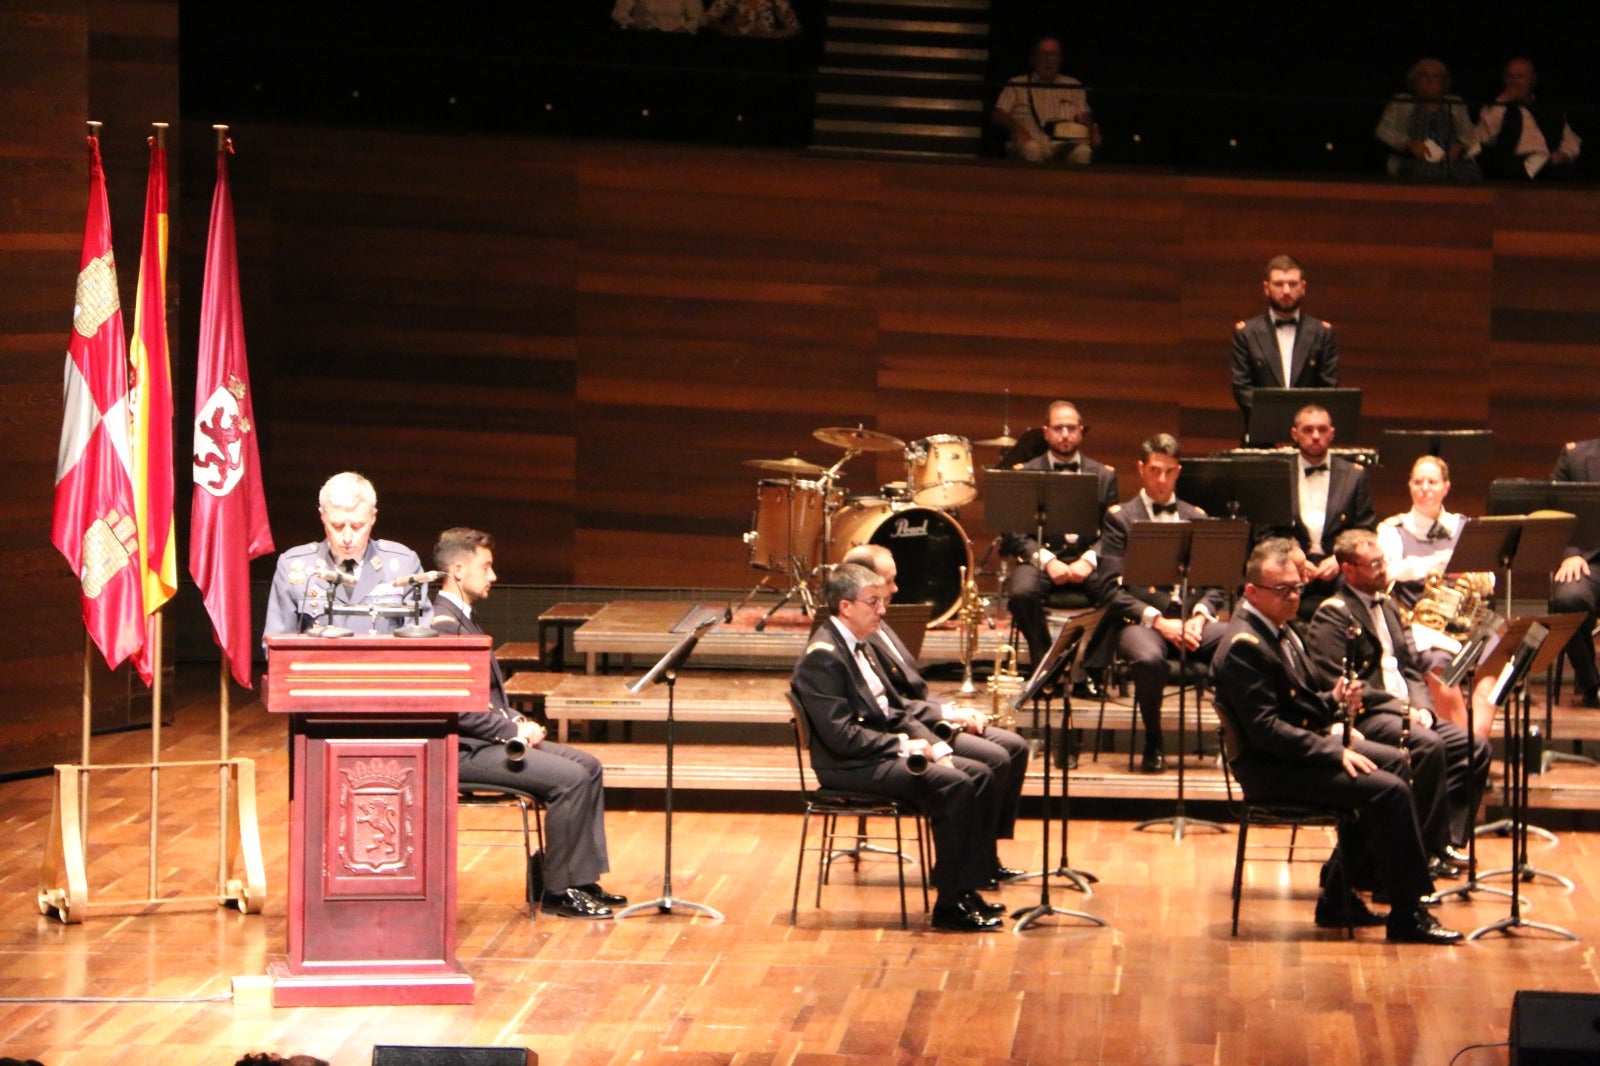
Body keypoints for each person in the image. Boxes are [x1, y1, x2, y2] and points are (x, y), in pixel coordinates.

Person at [1211, 538, 1462, 945]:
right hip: (1273, 770)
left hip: (1296, 752)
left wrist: (1334, 700)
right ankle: (1408, 912)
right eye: (1283, 591)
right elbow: (1266, 731)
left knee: (1398, 761)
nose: (1294, 597)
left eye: (1297, 588)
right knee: (1389, 789)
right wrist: (1334, 748)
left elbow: (1298, 703)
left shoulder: (1277, 629)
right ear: (1252, 592)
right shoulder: (1245, 646)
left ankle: (1339, 894)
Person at [791, 563, 1006, 931]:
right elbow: (842, 738)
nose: (883, 610)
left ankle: (966, 889)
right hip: (851, 765)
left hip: (874, 752)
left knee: (979, 773)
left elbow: (894, 710)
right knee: (953, 785)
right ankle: (949, 908)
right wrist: (905, 746)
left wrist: (939, 747)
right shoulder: (823, 656)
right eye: (872, 602)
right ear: (845, 607)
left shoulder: (859, 643)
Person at [429, 527, 627, 919]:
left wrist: (517, 719)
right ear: (456, 569)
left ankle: (579, 879)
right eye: (485, 567)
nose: (493, 576)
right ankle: (557, 891)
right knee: (568, 780)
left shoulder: (460, 620)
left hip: (486, 740)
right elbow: (458, 709)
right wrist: (511, 731)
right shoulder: (442, 625)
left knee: (588, 766)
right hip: (466, 750)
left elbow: (483, 697)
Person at [1302, 530, 1492, 871]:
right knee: (1428, 746)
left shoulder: (1389, 605)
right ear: (1348, 570)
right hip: (1369, 715)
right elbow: (1341, 684)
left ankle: (1444, 840)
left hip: (1407, 711)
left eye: (1383, 561)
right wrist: (1404, 710)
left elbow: (1412, 669)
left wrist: (1422, 707)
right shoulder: (1332, 614)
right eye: (1373, 564)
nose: (1382, 569)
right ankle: (1420, 852)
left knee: (1474, 748)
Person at [842, 543, 1030, 879]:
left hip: (922, 718)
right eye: (890, 580)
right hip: (912, 730)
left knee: (1015, 748)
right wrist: (947, 718)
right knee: (995, 760)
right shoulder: (861, 634)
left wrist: (949, 710)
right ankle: (972, 864)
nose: (896, 589)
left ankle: (986, 853)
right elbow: (894, 707)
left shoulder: (878, 624)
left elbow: (907, 693)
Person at [1086, 434, 1228, 773]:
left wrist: (1200, 616)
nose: (1161, 479)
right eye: (1154, 470)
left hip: (1191, 623)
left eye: (1168, 471)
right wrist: (1159, 621)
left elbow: (1215, 584)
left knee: (1241, 642)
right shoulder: (1120, 519)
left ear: (1178, 472)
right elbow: (1109, 589)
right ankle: (1153, 738)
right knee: (1149, 660)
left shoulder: (1197, 516)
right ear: (1141, 470)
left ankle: (1233, 736)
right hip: (1141, 624)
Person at [1000, 400, 1119, 678]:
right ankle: (1047, 666)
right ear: (1045, 432)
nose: (1065, 434)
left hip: (1087, 561)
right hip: (1043, 559)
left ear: (1081, 431)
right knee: (1021, 594)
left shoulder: (1104, 475)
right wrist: (1047, 560)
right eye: (1058, 428)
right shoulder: (1026, 472)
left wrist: (1088, 562)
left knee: (1121, 598)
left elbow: (1114, 531)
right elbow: (1014, 532)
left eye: (1071, 428)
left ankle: (1092, 670)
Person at [263, 471, 431, 641]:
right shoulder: (295, 566)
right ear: (322, 516)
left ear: (373, 517)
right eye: (337, 526)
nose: (347, 537)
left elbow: (419, 645)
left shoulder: (403, 564)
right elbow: (277, 645)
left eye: (358, 526)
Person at [1229, 255, 1339, 434]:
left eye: (1292, 284)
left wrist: (1301, 428)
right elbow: (1243, 389)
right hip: (1262, 436)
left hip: (1310, 437)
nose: (1286, 291)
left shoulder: (1322, 332)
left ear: (1303, 288)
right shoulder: (1246, 333)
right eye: (1279, 284)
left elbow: (1328, 388)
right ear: (1266, 288)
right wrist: (1278, 425)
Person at [1284, 404, 1375, 614]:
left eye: (1322, 430)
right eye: (1308, 430)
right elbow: (1266, 530)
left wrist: (1339, 558)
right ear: (1295, 434)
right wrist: (1293, 554)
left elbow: (1365, 529)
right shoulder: (1279, 473)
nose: (1316, 436)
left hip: (1338, 567)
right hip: (1293, 564)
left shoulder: (1355, 476)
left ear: (1331, 434)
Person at [990, 37, 1099, 165]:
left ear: (1060, 59)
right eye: (1042, 54)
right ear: (1033, 58)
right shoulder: (1017, 84)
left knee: (1083, 151)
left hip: (1063, 143)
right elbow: (998, 114)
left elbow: (1084, 115)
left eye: (1053, 55)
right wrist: (1018, 129)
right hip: (1030, 141)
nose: (1048, 60)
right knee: (1031, 149)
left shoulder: (1072, 84)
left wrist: (1091, 132)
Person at [1550, 434, 1600, 707]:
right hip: (1589, 563)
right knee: (1569, 598)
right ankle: (1592, 683)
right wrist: (1570, 553)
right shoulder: (1576, 457)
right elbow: (1554, 509)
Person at [1473, 57, 1581, 181]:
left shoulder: (1548, 110)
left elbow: (1570, 139)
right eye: (1509, 76)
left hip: (1548, 165)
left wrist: (1564, 154)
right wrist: (1503, 103)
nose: (1513, 82)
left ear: (1533, 80)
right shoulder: (1494, 108)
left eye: (1519, 77)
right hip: (1513, 167)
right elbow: (1484, 136)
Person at [1373, 58, 1480, 182]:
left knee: (1471, 172)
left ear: (1443, 83)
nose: (1429, 82)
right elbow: (1382, 131)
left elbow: (1469, 132)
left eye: (1435, 77)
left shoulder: (1455, 103)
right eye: (1423, 76)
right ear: (1414, 81)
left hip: (1449, 160)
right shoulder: (1401, 102)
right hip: (1415, 160)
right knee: (1423, 173)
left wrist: (1460, 144)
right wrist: (1409, 144)